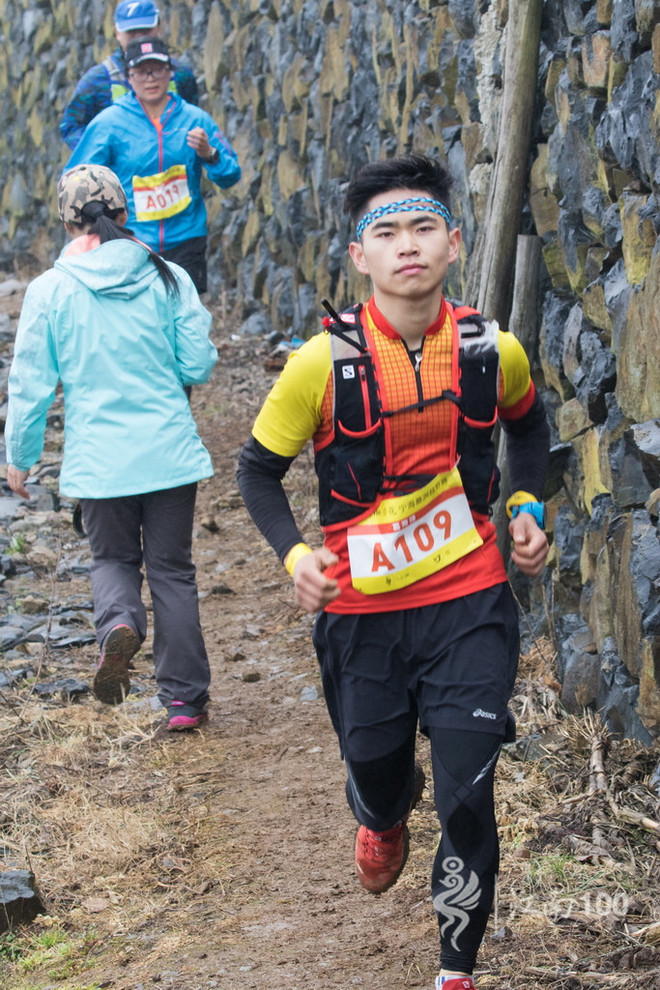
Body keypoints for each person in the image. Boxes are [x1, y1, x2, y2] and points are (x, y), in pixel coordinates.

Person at [237, 154, 550, 988]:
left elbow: (530, 431)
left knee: (468, 798)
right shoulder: (319, 366)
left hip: (470, 604)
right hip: (362, 616)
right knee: (380, 777)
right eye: (386, 232)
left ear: (453, 242)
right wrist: (297, 554)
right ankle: (380, 810)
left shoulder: (492, 349)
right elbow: (255, 473)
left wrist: (526, 512)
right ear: (359, 257)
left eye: (422, 228)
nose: (406, 246)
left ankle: (456, 969)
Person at [4, 164, 217, 732]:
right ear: (125, 213)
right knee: (173, 572)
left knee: (113, 561)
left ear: (67, 221)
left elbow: (29, 382)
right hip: (168, 453)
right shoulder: (168, 276)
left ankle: (118, 623)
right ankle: (183, 701)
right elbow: (197, 361)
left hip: (99, 462)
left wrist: (19, 455)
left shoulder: (51, 290)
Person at [66, 36, 241, 294]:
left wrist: (209, 153)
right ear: (128, 76)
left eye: (158, 69)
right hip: (131, 240)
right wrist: (99, 221)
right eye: (141, 71)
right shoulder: (109, 123)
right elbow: (77, 177)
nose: (150, 78)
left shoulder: (195, 119)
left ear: (169, 72)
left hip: (187, 239)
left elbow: (231, 174)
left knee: (185, 316)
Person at [60, 0, 198, 151]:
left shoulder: (181, 74)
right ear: (117, 32)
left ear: (159, 27)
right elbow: (71, 127)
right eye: (131, 32)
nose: (139, 37)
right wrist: (102, 152)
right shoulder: (96, 81)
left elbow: (194, 121)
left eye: (145, 30)